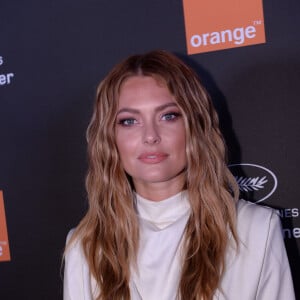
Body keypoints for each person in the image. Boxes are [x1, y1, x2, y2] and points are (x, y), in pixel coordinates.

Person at [63, 50, 295, 300]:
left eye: (168, 116)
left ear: (194, 126)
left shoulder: (256, 229)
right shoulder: (85, 247)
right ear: (109, 138)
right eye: (129, 121)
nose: (150, 135)